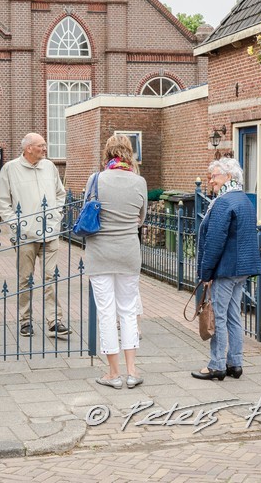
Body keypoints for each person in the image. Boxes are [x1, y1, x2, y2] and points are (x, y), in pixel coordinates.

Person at [191, 158, 261, 381]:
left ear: (228, 176)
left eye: (215, 176)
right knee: (233, 316)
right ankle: (235, 363)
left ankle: (217, 365)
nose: (211, 180)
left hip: (225, 269)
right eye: (210, 176)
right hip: (241, 269)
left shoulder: (223, 202)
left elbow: (215, 241)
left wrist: (206, 273)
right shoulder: (244, 199)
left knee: (218, 317)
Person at [87, 135, 148, 390]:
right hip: (128, 253)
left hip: (100, 253)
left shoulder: (96, 179)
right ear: (129, 153)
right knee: (128, 311)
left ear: (108, 153)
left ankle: (113, 373)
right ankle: (132, 372)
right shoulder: (139, 182)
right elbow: (141, 218)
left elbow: (88, 211)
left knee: (106, 312)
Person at [0, 133, 70, 338]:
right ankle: (25, 320)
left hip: (50, 233)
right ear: (28, 148)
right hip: (25, 236)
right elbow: (3, 203)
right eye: (41, 145)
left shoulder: (50, 167)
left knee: (51, 277)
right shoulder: (10, 169)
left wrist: (56, 215)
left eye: (45, 145)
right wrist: (18, 225)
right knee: (25, 279)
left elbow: (60, 194)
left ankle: (55, 321)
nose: (45, 149)